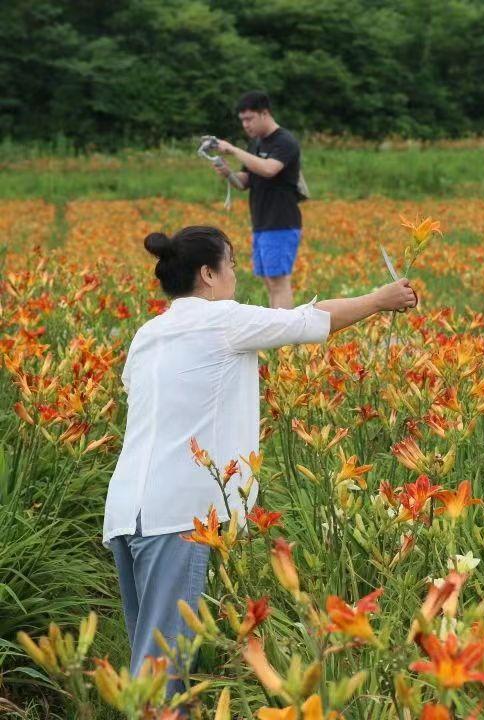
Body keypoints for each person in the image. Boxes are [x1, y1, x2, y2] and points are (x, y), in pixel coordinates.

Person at [102, 225, 417, 695]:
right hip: (178, 514)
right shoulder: (223, 319)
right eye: (230, 264)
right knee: (163, 675)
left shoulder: (148, 333)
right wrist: (378, 299)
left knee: (147, 662)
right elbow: (311, 320)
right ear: (207, 274)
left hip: (127, 512)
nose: (236, 274)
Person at [212, 90, 303, 309]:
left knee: (279, 283)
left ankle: (285, 340)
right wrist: (227, 172)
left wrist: (233, 150)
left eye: (249, 119)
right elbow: (245, 181)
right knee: (270, 283)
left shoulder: (285, 141)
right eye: (242, 120)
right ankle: (278, 336)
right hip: (262, 223)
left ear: (265, 114)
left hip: (281, 222)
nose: (245, 125)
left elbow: (269, 169)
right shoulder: (257, 144)